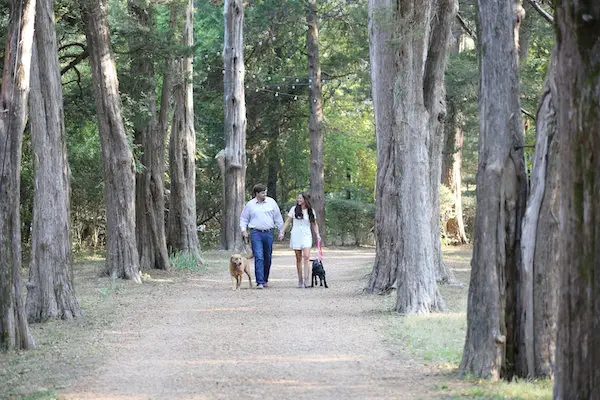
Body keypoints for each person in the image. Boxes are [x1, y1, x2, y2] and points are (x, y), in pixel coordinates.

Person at [240, 184, 284, 289]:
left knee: (267, 256)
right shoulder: (250, 205)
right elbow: (244, 218)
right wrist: (244, 230)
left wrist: (281, 230)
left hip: (268, 232)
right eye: (262, 192)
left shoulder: (271, 202)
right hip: (256, 233)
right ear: (257, 194)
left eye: (265, 192)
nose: (264, 194)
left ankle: (265, 279)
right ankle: (259, 282)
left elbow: (277, 217)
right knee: (259, 256)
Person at [278, 192, 321, 288]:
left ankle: (306, 279)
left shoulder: (311, 211)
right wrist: (282, 232)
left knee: (306, 256)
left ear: (305, 200)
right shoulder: (294, 210)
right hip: (296, 235)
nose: (298, 200)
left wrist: (317, 234)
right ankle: (300, 279)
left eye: (300, 198)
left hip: (306, 235)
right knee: (298, 258)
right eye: (298, 198)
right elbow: (288, 221)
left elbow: (314, 224)